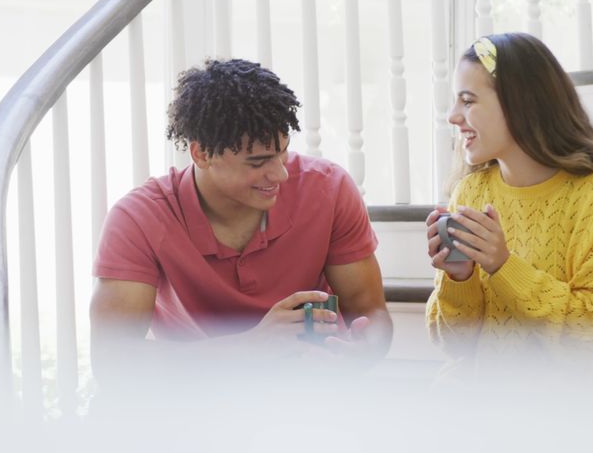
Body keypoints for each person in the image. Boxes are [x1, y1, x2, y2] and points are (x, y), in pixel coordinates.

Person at [90, 58, 392, 383]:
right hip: (198, 403)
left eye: (283, 152)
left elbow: (371, 313)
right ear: (202, 154)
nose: (280, 173)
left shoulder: (329, 189)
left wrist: (362, 351)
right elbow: (113, 359)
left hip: (310, 395)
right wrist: (252, 348)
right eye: (258, 162)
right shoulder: (138, 218)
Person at [425, 33, 593, 373]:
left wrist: (504, 267)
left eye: (468, 101)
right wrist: (458, 280)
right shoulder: (469, 194)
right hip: (480, 407)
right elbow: (454, 345)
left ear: (518, 103)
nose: (452, 116)